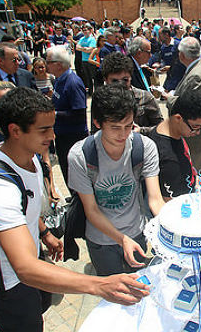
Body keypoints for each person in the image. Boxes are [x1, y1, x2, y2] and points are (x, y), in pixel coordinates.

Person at [0, 87, 149, 331]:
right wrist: (98, 285)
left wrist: (44, 233)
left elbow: (25, 209)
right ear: (15, 131)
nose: (53, 136)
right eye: (44, 130)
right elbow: (24, 268)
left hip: (31, 262)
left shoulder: (29, 156)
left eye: (52, 127)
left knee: (39, 312)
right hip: (6, 283)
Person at [67, 84, 164, 276]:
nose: (123, 134)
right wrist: (121, 239)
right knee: (113, 293)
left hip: (137, 231)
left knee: (139, 286)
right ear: (97, 122)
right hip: (101, 241)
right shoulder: (81, 156)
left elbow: (155, 199)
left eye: (129, 126)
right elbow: (92, 210)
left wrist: (173, 228)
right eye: (115, 128)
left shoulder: (144, 147)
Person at [164, 37, 201, 173]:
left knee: (192, 174)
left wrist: (169, 98)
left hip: (195, 136)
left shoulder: (196, 76)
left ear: (181, 55)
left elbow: (189, 108)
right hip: (200, 134)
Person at [148, 89, 201, 200]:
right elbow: (167, 201)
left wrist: (194, 178)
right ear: (178, 118)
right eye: (195, 127)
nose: (197, 133)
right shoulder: (168, 157)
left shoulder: (174, 132)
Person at [45, 45, 88, 184]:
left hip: (73, 137)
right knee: (66, 170)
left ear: (58, 64)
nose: (46, 65)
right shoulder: (58, 79)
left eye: (48, 62)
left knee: (75, 173)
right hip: (62, 135)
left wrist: (54, 114)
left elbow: (79, 113)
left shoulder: (73, 83)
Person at [100, 52, 162, 132]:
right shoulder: (101, 100)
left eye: (125, 80)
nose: (120, 85)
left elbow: (161, 128)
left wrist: (141, 131)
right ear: (105, 80)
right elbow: (95, 132)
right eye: (114, 81)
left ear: (131, 77)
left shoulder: (145, 98)